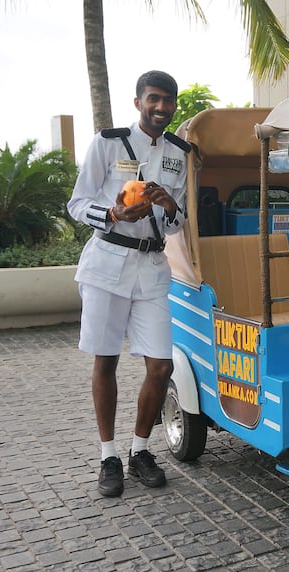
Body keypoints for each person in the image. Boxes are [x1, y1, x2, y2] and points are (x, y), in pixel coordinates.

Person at [67, 70, 190, 497]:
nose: (161, 108)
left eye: (168, 101)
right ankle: (108, 456)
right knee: (106, 361)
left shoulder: (178, 153)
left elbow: (176, 225)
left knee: (161, 364)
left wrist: (170, 204)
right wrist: (115, 215)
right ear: (138, 102)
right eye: (154, 99)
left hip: (153, 267)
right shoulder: (108, 143)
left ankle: (140, 450)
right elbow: (77, 203)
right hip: (107, 263)